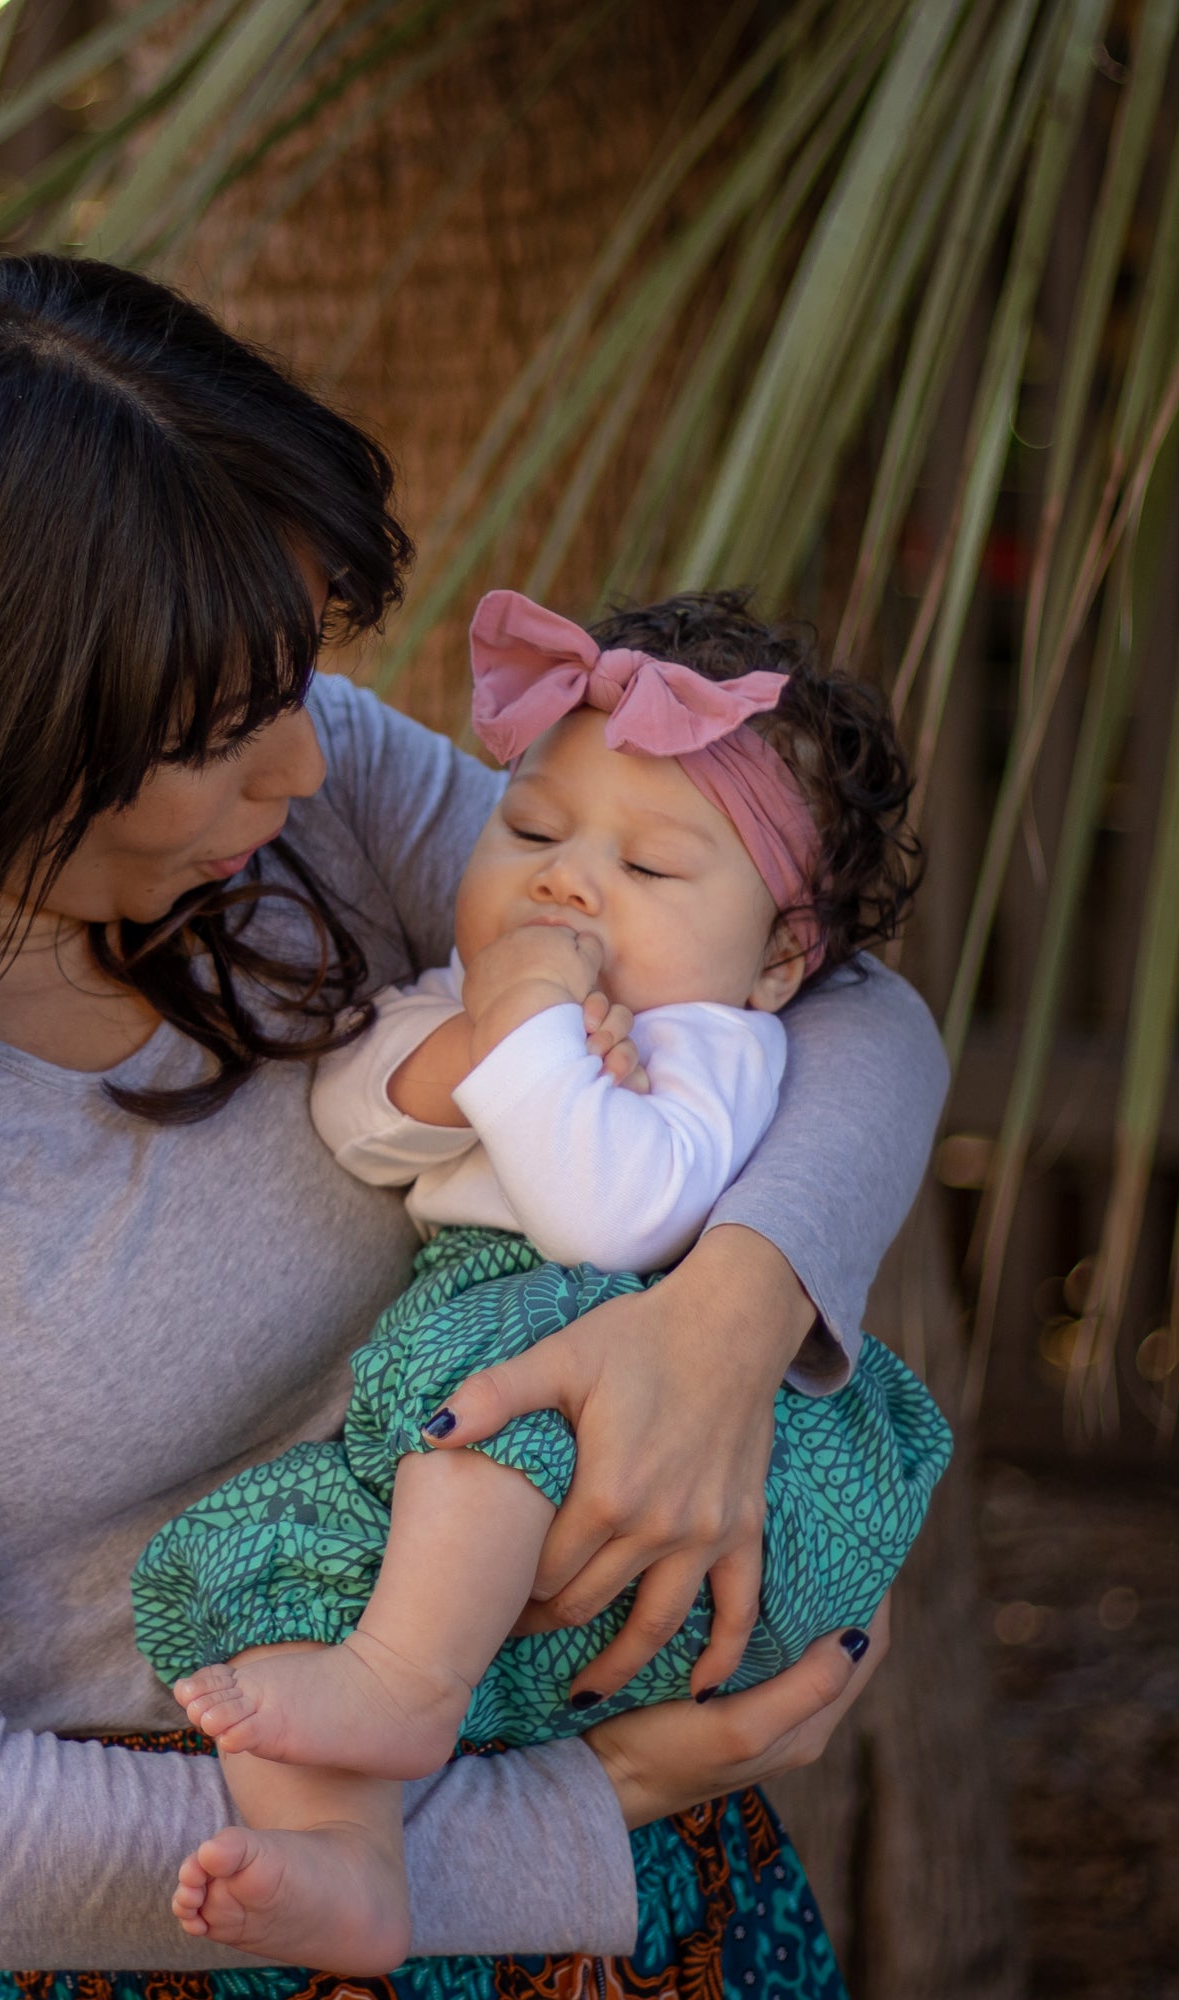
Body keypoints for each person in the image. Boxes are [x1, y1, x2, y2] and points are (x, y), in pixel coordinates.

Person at [0, 254, 948, 1992]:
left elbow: (843, 1005)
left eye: (298, 685)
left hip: (676, 1912)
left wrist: (724, 1321)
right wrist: (577, 1806)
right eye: (225, 731)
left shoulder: (293, 809)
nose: (307, 767)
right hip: (256, 1926)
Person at [138, 588, 951, 1974]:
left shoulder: (721, 1046)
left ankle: (406, 1683)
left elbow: (608, 1209)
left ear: (775, 962)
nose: (569, 881)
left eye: (652, 870)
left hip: (646, 1410)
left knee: (511, 1350)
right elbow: (355, 1119)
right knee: (224, 1559)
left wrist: (521, 1040)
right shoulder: (483, 1002)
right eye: (529, 832)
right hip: (476, 1480)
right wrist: (473, 1044)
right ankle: (349, 1861)